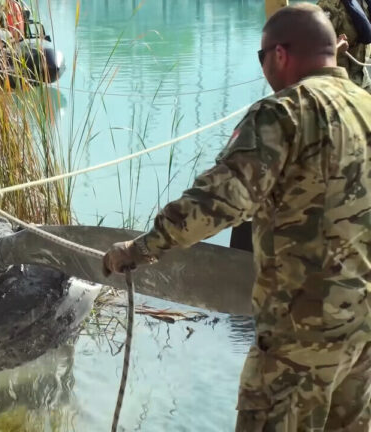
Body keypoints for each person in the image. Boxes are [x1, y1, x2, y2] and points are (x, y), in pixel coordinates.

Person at [103, 4, 371, 431]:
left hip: (299, 334)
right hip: (362, 331)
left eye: (261, 57)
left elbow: (218, 202)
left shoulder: (283, 113)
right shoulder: (366, 107)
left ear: (280, 54)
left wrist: (140, 248)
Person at [318, 0, 371, 91]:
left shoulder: (365, 2)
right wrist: (336, 47)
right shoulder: (329, 5)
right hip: (339, 84)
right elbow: (315, 48)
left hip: (363, 78)